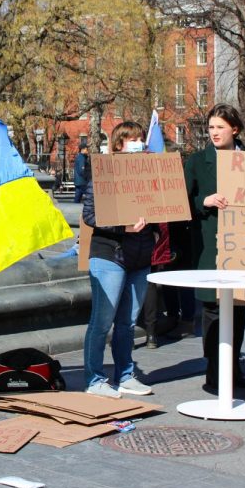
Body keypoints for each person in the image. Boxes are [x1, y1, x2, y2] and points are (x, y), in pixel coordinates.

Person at [81, 121, 155, 398]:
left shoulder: (150, 175)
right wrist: (122, 228)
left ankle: (125, 374)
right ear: (118, 145)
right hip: (109, 255)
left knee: (127, 322)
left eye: (140, 139)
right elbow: (90, 215)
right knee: (102, 321)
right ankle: (94, 379)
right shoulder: (104, 173)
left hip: (140, 255)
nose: (137, 143)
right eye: (131, 139)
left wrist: (156, 231)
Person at [184, 104, 245, 391]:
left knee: (238, 311)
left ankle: (233, 368)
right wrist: (204, 202)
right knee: (213, 308)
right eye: (211, 127)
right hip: (211, 246)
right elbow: (182, 203)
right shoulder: (197, 162)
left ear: (234, 129)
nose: (213, 132)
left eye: (219, 127)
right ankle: (215, 373)